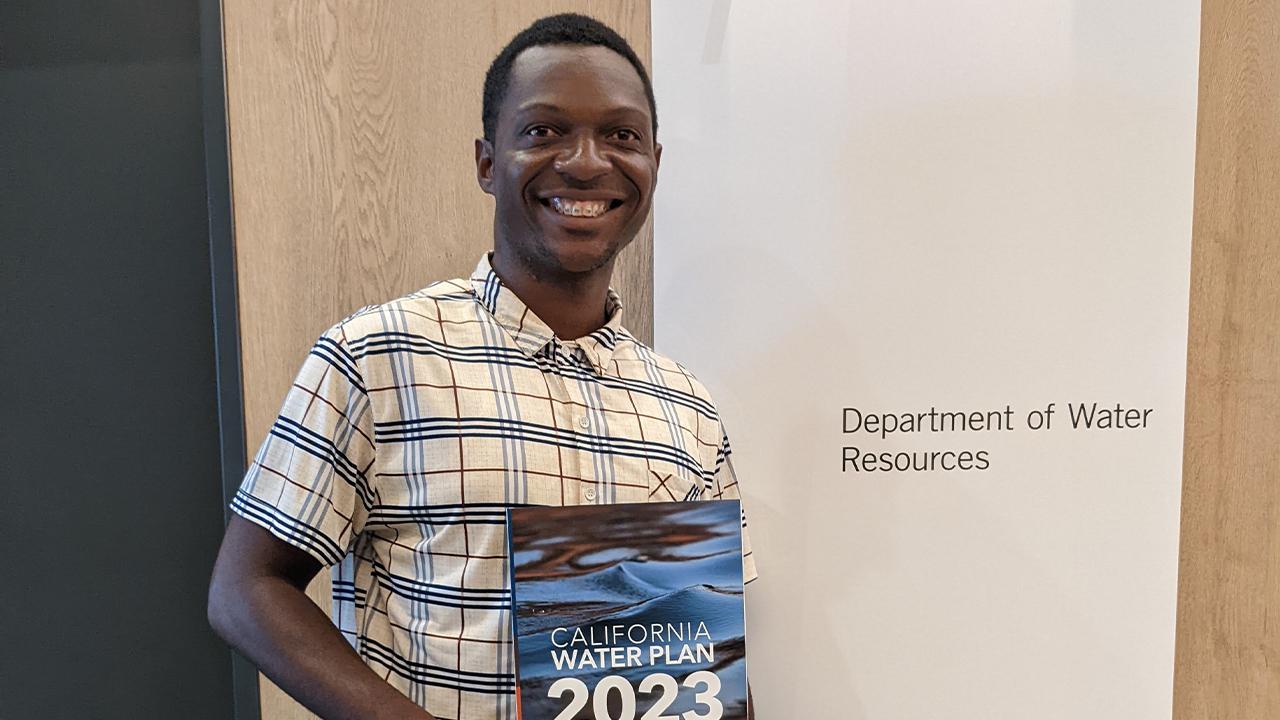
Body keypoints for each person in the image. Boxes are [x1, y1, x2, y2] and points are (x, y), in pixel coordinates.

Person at [208, 13, 756, 720]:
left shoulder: (687, 407)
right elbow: (247, 589)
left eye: (621, 135)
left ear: (654, 163)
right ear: (487, 163)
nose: (587, 161)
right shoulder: (378, 356)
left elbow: (708, 651)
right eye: (544, 131)